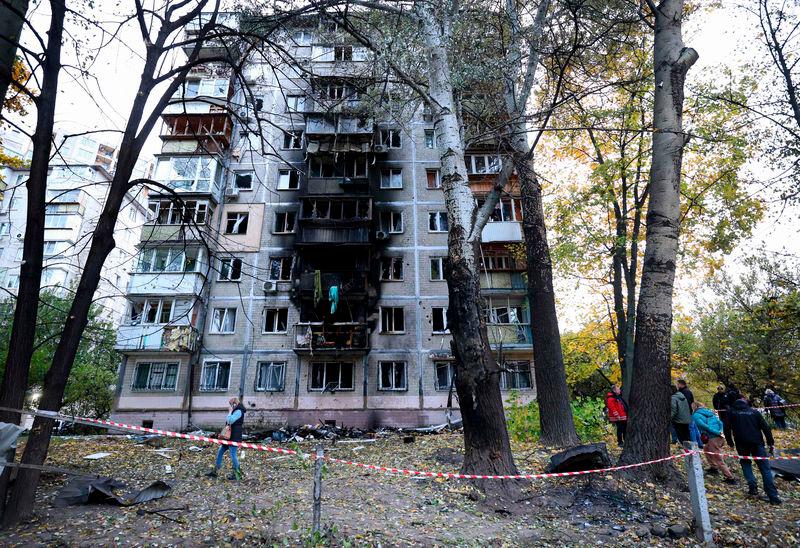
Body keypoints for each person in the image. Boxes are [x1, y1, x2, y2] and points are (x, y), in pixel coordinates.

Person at [728, 396, 781, 505]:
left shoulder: (732, 413)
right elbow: (766, 427)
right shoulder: (754, 412)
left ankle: (753, 488)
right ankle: (773, 497)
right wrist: (770, 443)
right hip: (757, 443)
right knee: (765, 469)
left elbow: (726, 427)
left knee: (746, 464)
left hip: (741, 444)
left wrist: (730, 442)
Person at [691, 402, 736, 484]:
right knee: (706, 450)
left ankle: (730, 477)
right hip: (717, 436)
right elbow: (720, 423)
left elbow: (703, 425)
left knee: (718, 458)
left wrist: (716, 432)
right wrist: (720, 431)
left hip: (713, 437)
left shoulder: (696, 415)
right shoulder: (710, 413)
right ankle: (713, 467)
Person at [207, 397, 246, 480]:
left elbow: (230, 420)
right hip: (228, 436)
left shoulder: (239, 411)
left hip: (234, 436)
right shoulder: (236, 410)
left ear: (234, 403)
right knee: (220, 451)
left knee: (233, 454)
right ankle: (215, 471)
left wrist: (230, 412)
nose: (230, 406)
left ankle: (237, 473)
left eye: (231, 404)